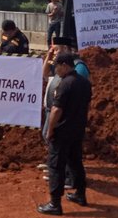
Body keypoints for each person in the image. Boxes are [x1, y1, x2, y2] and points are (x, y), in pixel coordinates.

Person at [37, 53, 92, 216]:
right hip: (77, 130)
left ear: (65, 65)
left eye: (57, 66)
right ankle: (80, 194)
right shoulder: (84, 83)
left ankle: (55, 203)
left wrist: (50, 130)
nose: (56, 70)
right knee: (76, 162)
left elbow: (56, 110)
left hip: (62, 132)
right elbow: (88, 105)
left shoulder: (65, 84)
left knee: (56, 166)